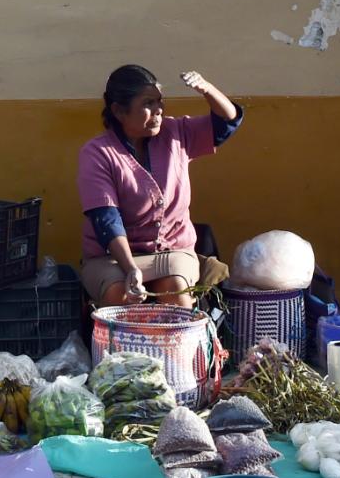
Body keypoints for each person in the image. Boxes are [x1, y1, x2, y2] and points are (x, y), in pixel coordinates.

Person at [77, 65, 243, 309]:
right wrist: (131, 270)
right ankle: (124, 348)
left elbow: (227, 122)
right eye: (148, 104)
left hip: (172, 252)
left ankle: (178, 348)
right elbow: (106, 220)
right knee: (119, 295)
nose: (158, 111)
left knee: (175, 291)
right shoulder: (97, 153)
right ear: (119, 111)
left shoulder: (176, 133)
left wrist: (206, 89)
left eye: (159, 102)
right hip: (112, 258)